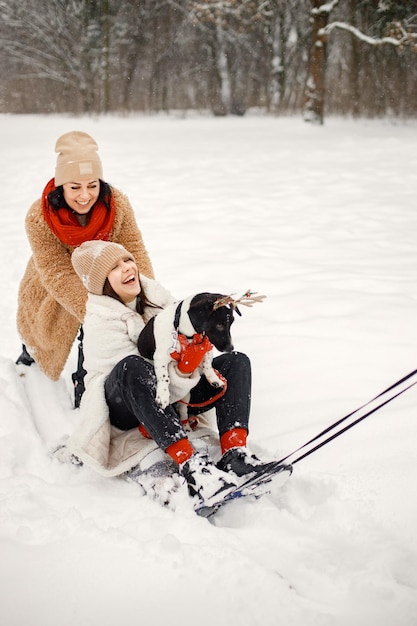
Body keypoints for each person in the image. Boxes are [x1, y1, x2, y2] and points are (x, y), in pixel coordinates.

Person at [69, 239, 284, 508]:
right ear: (102, 282)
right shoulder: (99, 321)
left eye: (127, 260)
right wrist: (180, 367)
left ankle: (235, 453)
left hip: (177, 391)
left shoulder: (160, 301)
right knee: (131, 366)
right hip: (126, 406)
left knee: (235, 362)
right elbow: (121, 378)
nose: (127, 268)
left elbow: (188, 348)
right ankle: (191, 464)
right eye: (114, 267)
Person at [16, 131, 154, 405]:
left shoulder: (117, 205)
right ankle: (30, 354)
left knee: (98, 330)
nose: (85, 195)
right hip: (52, 282)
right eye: (74, 187)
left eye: (92, 185)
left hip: (104, 273)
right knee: (47, 329)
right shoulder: (39, 216)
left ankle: (87, 383)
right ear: (61, 186)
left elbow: (134, 250)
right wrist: (97, 309)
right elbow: (56, 272)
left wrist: (145, 297)